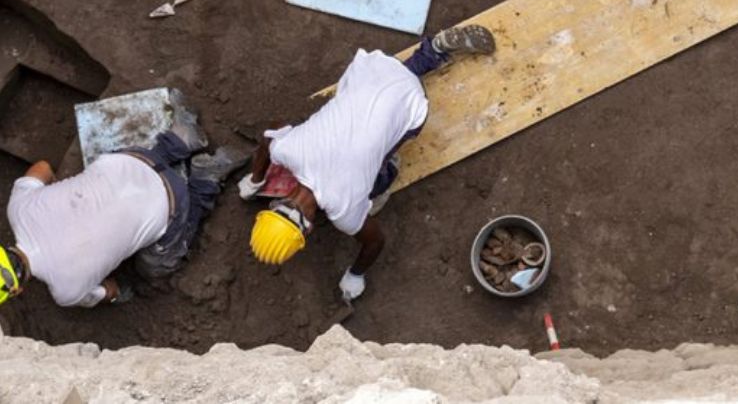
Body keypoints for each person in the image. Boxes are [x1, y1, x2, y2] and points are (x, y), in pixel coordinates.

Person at [239, 24, 496, 303]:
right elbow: (269, 138)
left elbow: (375, 242)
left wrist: (355, 275)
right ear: (277, 205)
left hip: (412, 103)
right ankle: (431, 51)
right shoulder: (287, 149)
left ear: (308, 230)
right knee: (348, 116)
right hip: (371, 69)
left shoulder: (345, 209)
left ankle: (430, 59)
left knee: (377, 186)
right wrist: (255, 179)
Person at [0, 108, 243, 308]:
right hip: (132, 160)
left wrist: (117, 294)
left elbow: (111, 289)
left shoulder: (66, 292)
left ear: (18, 289)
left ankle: (205, 180)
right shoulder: (18, 209)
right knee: (119, 172)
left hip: (170, 201)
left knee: (157, 266)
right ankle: (179, 139)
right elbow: (42, 167)